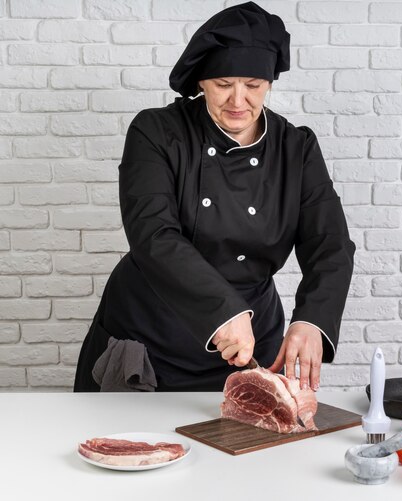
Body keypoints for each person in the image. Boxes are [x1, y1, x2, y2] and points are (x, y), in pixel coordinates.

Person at [73, 2, 355, 393]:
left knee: (254, 447)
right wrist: (223, 310)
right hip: (152, 334)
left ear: (270, 83)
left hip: (252, 341)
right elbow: (153, 235)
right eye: (223, 84)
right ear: (202, 82)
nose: (238, 100)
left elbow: (330, 243)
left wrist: (312, 319)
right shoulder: (156, 132)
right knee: (134, 448)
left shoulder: (297, 147)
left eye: (253, 85)